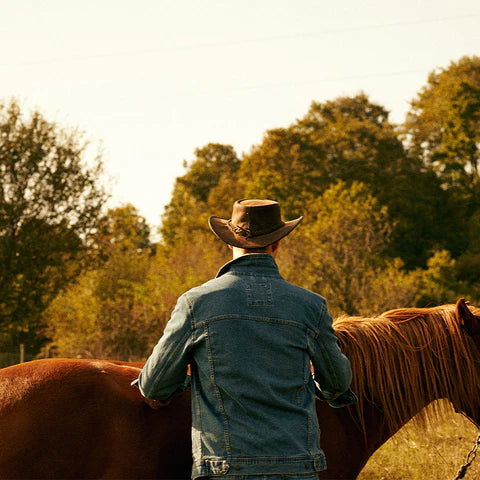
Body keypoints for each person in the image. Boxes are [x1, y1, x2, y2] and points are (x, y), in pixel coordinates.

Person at [135, 198, 356, 480]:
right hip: (297, 467)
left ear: (229, 243)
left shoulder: (195, 304)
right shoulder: (311, 307)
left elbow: (153, 386)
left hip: (225, 468)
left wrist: (195, 381)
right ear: (277, 244)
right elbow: (338, 385)